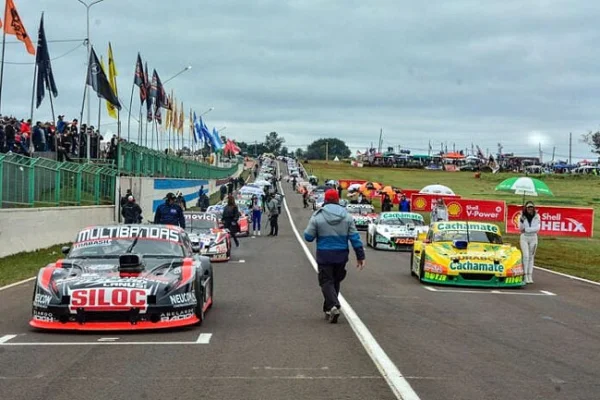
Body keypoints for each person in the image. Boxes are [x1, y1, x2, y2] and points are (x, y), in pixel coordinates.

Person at [303, 189, 365, 324]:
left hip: (325, 254)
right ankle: (328, 308)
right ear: (338, 200)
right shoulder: (347, 217)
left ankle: (333, 306)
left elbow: (308, 237)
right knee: (335, 281)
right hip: (341, 254)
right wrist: (360, 255)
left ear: (325, 200)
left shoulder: (318, 216)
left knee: (326, 281)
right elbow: (355, 237)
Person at [519, 201, 540, 284]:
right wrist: (521, 221)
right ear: (526, 208)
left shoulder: (537, 216)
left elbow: (537, 228)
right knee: (526, 256)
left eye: (531, 207)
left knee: (531, 257)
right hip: (524, 237)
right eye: (528, 207)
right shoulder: (522, 216)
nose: (530, 209)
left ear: (533, 208)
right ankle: (524, 275)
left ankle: (529, 275)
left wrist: (528, 229)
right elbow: (520, 228)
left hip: (533, 238)